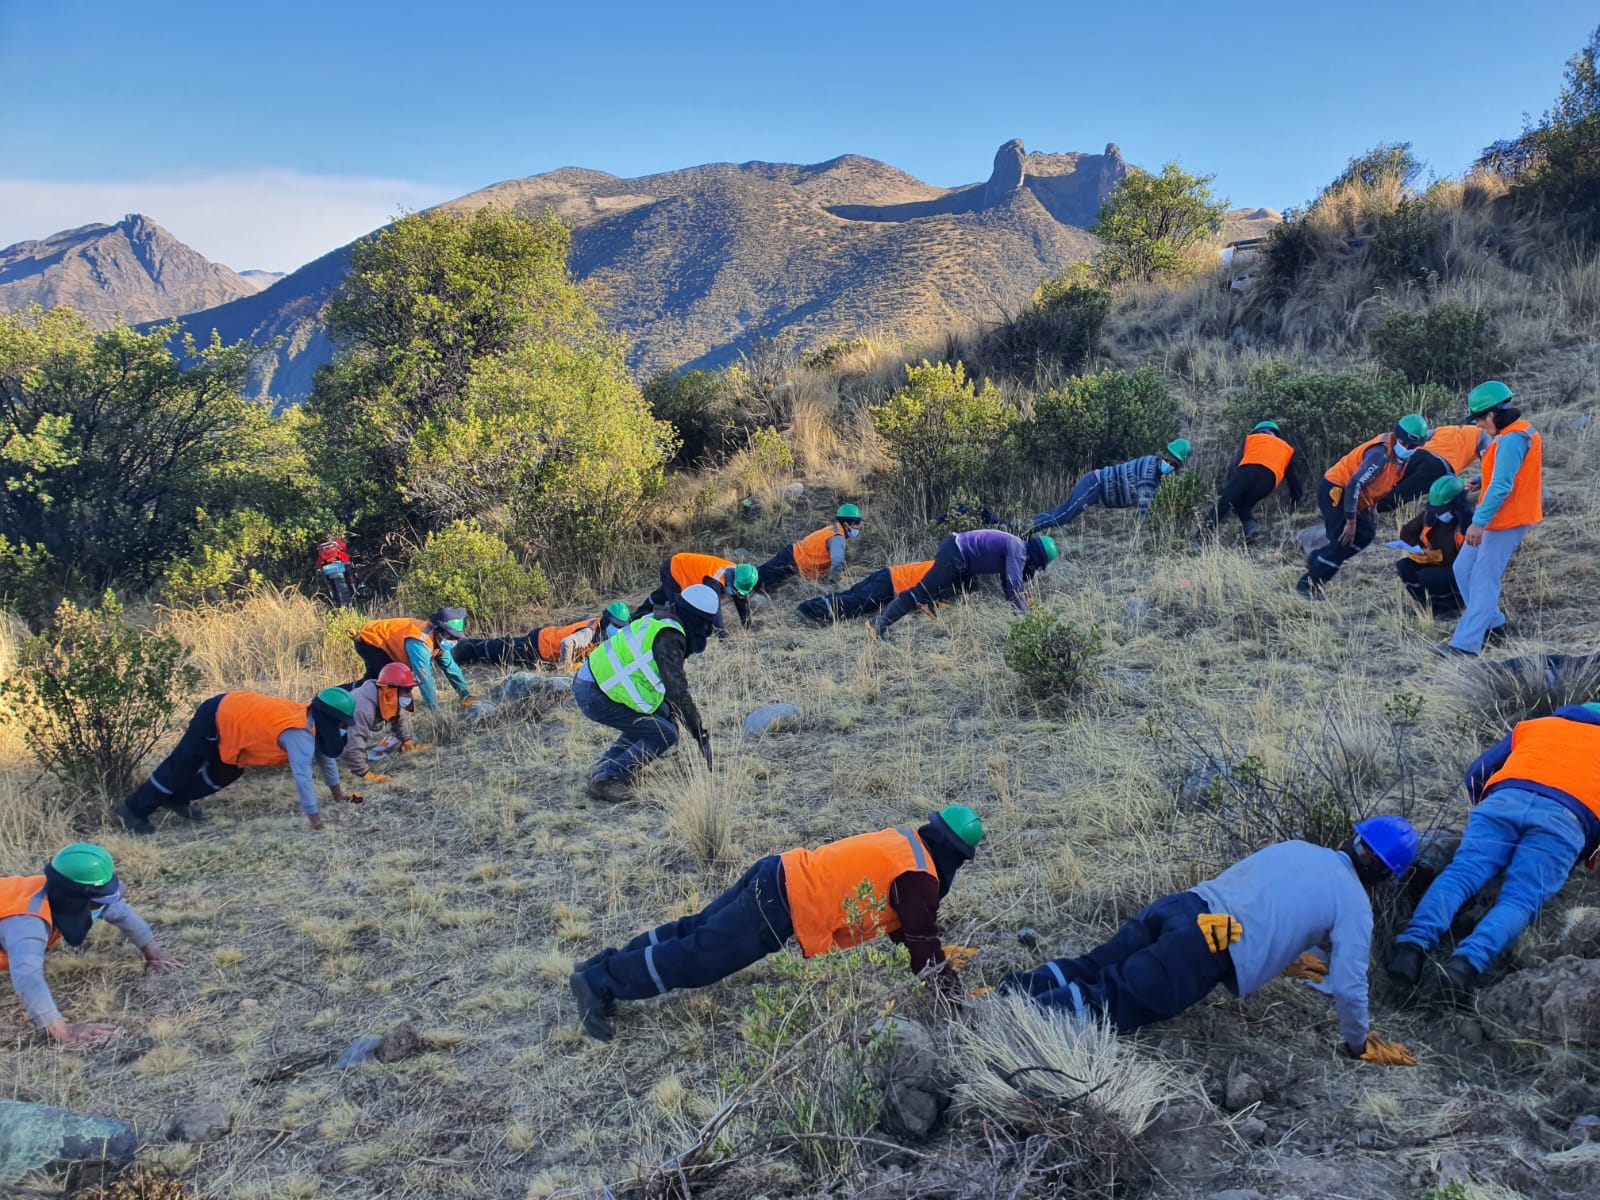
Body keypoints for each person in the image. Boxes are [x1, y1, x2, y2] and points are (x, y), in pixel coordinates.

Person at [1000, 816, 1421, 1066]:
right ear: (1384, 880)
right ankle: (1002, 1025)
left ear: (1351, 839)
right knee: (1107, 1001)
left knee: (1091, 967)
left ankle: (1007, 993)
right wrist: (1358, 1043)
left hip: (1180, 907)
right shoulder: (1355, 906)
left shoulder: (1300, 848)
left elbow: (1264, 899)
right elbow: (1348, 984)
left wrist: (1282, 957)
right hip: (1207, 943)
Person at [569, 805, 984, 1041]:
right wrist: (953, 1000)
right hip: (784, 904)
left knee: (693, 929)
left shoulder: (906, 844)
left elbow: (903, 927)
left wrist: (940, 955)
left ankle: (601, 966)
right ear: (957, 857)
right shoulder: (920, 878)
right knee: (700, 958)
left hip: (777, 871)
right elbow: (920, 943)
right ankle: (601, 983)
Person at [1388, 703, 1600, 1002]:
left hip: (1502, 802)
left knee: (1462, 874)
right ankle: (1464, 966)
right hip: (1564, 820)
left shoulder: (1535, 725)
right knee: (1520, 899)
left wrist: (1488, 806)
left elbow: (1477, 773)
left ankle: (1410, 949)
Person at [1, 844, 183, 1044]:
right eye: (99, 900)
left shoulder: (60, 894)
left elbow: (120, 912)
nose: (105, 905)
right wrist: (65, 1033)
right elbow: (28, 977)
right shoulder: (28, 924)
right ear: (74, 899)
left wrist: (155, 956)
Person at [115, 688, 359, 834]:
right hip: (218, 714)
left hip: (234, 718)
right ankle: (133, 810)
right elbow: (303, 777)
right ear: (328, 719)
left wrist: (339, 797)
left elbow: (327, 759)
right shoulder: (300, 735)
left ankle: (176, 797)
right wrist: (315, 820)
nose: (340, 729)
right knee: (183, 765)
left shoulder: (314, 723)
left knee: (228, 771)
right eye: (340, 723)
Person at [574, 584, 720, 803]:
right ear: (697, 619)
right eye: (708, 624)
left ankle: (606, 765)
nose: (708, 631)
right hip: (596, 692)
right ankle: (608, 779)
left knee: (656, 720)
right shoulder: (669, 637)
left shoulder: (661, 619)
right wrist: (700, 734)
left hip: (596, 682)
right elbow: (678, 691)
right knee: (665, 734)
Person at [1438, 382, 1542, 657]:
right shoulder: (1514, 433)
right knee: (1463, 569)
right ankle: (1493, 625)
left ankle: (1465, 645)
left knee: (1484, 580)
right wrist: (1482, 479)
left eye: (1478, 420)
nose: (1479, 426)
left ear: (1492, 415)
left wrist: (1478, 523)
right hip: (1499, 516)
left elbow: (1501, 487)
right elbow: (1506, 474)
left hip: (1506, 519)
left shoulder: (1511, 439)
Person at [1297, 415, 1431, 596]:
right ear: (1396, 436)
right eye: (1404, 442)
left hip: (1353, 495)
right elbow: (1354, 483)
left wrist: (1373, 504)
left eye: (1412, 445)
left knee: (1366, 534)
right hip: (1336, 491)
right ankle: (1308, 585)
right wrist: (1350, 521)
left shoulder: (1401, 458)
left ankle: (1317, 559)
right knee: (1343, 541)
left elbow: (1379, 481)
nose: (1407, 448)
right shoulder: (1379, 454)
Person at [871, 530, 1056, 637]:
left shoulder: (1017, 547)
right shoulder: (1018, 550)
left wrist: (1020, 610)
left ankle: (932, 600)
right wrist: (1028, 622)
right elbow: (1014, 585)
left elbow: (1008, 585)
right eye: (1039, 565)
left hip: (961, 559)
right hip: (955, 554)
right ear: (1038, 557)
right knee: (920, 592)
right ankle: (879, 624)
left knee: (970, 586)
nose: (1036, 569)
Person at [1031, 440, 1192, 532]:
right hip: (1095, 485)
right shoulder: (1150, 472)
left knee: (1060, 513)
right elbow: (1145, 503)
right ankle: (1024, 530)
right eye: (1169, 460)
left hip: (1096, 487)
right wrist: (1152, 528)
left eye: (1174, 464)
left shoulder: (1153, 466)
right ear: (1164, 455)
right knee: (1063, 516)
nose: (1169, 465)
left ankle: (1024, 527)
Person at [352, 608, 475, 711]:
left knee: (388, 683)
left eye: (456, 638)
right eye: (450, 636)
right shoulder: (420, 643)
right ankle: (349, 697)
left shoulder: (440, 642)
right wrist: (435, 711)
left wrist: (466, 695)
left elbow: (451, 668)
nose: (453, 641)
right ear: (438, 631)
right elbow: (424, 678)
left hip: (385, 642)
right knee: (380, 682)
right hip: (372, 640)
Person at [452, 603, 632, 669]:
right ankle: (463, 649)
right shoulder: (590, 632)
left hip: (543, 647)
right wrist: (565, 666)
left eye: (622, 627)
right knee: (500, 651)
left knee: (507, 657)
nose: (619, 630)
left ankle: (468, 652)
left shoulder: (605, 634)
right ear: (608, 620)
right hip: (539, 645)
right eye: (616, 626)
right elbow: (567, 643)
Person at [1206, 421, 1303, 539]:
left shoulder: (1252, 438)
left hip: (1248, 470)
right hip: (1269, 481)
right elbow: (1294, 478)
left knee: (1226, 501)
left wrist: (1230, 485)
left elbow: (1235, 465)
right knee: (1243, 504)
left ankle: (1201, 538)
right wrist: (1295, 500)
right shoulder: (1287, 448)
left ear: (1258, 431)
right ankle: (1250, 527)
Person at [1394, 475, 1473, 616]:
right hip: (1432, 562)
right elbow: (1407, 532)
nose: (1438, 513)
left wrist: (1437, 557)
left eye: (1442, 509)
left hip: (1458, 572)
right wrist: (1418, 549)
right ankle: (1426, 605)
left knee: (1428, 576)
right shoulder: (1428, 515)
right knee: (1404, 566)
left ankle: (1452, 607)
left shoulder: (1469, 525)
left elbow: (1469, 561)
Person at [339, 663, 429, 785]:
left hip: (342, 730)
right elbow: (354, 740)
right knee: (337, 753)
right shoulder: (364, 708)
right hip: (319, 731)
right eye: (406, 691)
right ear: (391, 690)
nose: (409, 695)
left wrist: (407, 741)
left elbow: (398, 719)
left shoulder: (387, 696)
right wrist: (364, 774)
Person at [795, 559, 954, 624]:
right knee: (855, 603)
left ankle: (811, 606)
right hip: (891, 584)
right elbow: (926, 600)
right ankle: (811, 612)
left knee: (852, 596)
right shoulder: (946, 573)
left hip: (887, 575)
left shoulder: (944, 564)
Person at [636, 553, 759, 630]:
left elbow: (741, 598)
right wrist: (722, 634)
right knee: (677, 609)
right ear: (734, 579)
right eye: (737, 589)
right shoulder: (714, 581)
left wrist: (748, 624)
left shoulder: (740, 574)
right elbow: (714, 611)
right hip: (674, 568)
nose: (737, 592)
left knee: (661, 596)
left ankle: (636, 615)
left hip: (684, 567)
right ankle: (643, 623)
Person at [757, 504, 864, 589]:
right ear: (846, 524)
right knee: (757, 579)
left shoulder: (833, 529)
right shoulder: (837, 538)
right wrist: (837, 580)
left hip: (792, 556)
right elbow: (837, 562)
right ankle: (742, 583)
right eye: (856, 523)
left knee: (763, 575)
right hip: (793, 561)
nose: (859, 526)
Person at [314, 535, 356, 607]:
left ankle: (334, 601)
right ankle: (353, 593)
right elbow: (346, 558)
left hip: (327, 570)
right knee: (348, 579)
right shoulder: (337, 543)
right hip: (340, 567)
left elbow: (319, 566)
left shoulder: (321, 550)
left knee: (329, 585)